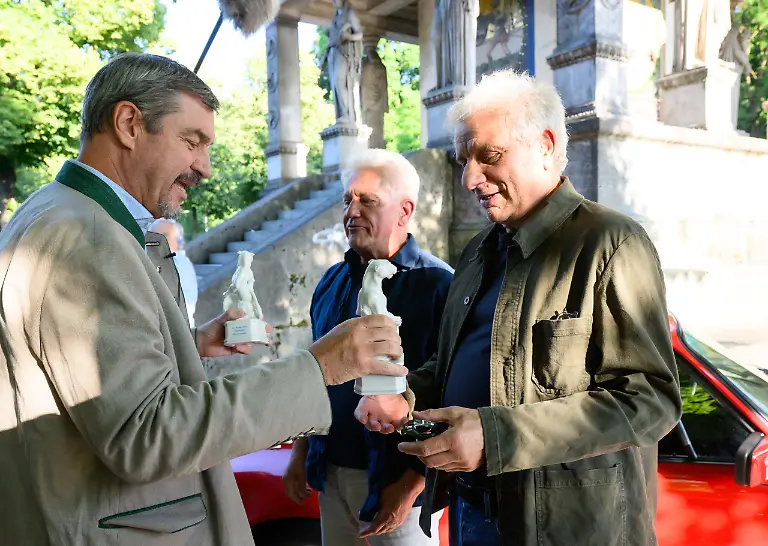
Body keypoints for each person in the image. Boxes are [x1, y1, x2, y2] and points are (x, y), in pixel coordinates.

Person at [0, 53, 406, 546]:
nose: (206, 168)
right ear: (129, 123)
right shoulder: (86, 239)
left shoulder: (61, 216)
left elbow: (97, 390)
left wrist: (188, 346)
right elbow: (146, 434)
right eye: (191, 141)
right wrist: (319, 367)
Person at [355, 70, 682, 545]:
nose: (469, 177)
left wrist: (495, 436)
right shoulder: (477, 253)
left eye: (489, 156)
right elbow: (449, 368)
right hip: (471, 513)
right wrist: (403, 394)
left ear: (546, 145)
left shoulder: (610, 243)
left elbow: (652, 400)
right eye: (464, 159)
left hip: (565, 530)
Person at [283, 149, 454, 545]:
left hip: (396, 487)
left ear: (404, 211)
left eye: (367, 201)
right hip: (330, 474)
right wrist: (300, 452)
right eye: (347, 200)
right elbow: (316, 374)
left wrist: (412, 487)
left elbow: (452, 394)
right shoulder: (331, 282)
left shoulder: (439, 286)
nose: (351, 211)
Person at [149, 218, 198, 326]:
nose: (156, 241)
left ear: (178, 241)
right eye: (152, 236)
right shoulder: (163, 262)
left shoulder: (176, 264)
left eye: (164, 236)